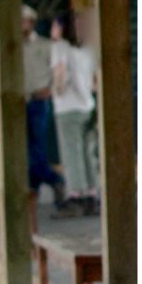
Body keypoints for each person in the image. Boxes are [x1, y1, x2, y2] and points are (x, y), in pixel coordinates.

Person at [51, 11, 99, 216]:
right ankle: (92, 192)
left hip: (68, 107)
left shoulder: (60, 47)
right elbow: (96, 80)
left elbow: (60, 73)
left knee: (72, 152)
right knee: (88, 152)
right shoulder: (88, 50)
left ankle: (76, 195)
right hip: (88, 105)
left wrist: (58, 89)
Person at [20, 4, 67, 210]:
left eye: (24, 20)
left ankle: (53, 180)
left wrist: (51, 89)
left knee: (37, 146)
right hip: (18, 103)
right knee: (26, 149)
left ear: (31, 22)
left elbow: (58, 71)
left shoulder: (44, 46)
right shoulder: (10, 46)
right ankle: (39, 186)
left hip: (39, 101)